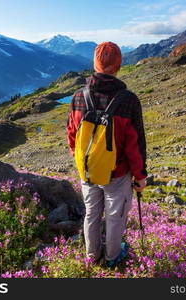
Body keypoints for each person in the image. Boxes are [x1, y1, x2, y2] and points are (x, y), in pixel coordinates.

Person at [66, 42, 147, 266]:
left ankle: (92, 257)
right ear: (118, 65)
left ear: (95, 63)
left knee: (92, 214)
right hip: (117, 173)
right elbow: (136, 143)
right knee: (115, 217)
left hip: (88, 170)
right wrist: (140, 176)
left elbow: (71, 134)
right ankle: (113, 257)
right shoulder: (128, 100)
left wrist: (82, 160)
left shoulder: (78, 97)